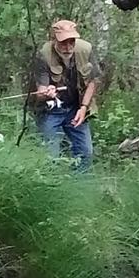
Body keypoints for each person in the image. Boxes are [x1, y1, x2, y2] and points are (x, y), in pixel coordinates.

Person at [32, 19, 101, 171]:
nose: (68, 47)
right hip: (51, 111)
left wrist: (84, 107)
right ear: (54, 40)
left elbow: (93, 81)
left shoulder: (86, 50)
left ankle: (79, 183)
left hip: (76, 109)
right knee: (50, 158)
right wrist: (47, 93)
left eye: (71, 42)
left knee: (86, 153)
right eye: (63, 43)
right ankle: (52, 183)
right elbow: (40, 92)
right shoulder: (44, 54)